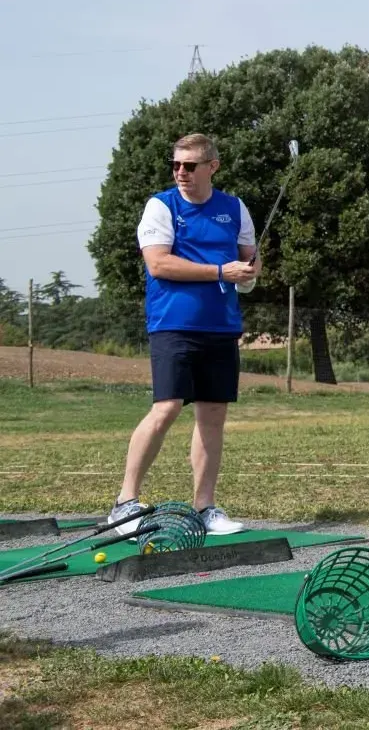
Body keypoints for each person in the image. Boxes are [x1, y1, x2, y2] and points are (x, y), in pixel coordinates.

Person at [109, 133, 258, 536]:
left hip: (221, 325)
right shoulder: (161, 206)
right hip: (173, 324)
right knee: (167, 407)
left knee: (213, 415)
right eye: (175, 164)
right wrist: (221, 271)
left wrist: (248, 274)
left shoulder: (234, 208)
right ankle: (124, 503)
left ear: (212, 167)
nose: (180, 172)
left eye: (189, 165)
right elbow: (159, 264)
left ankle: (204, 508)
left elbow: (248, 262)